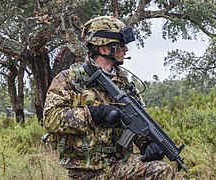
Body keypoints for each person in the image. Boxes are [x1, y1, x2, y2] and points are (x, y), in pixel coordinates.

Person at [43, 16, 175, 179]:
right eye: (120, 45)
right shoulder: (70, 79)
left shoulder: (125, 84)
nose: (125, 49)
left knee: (160, 170)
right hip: (86, 171)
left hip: (120, 164)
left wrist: (148, 144)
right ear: (104, 49)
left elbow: (138, 124)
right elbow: (50, 118)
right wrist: (94, 114)